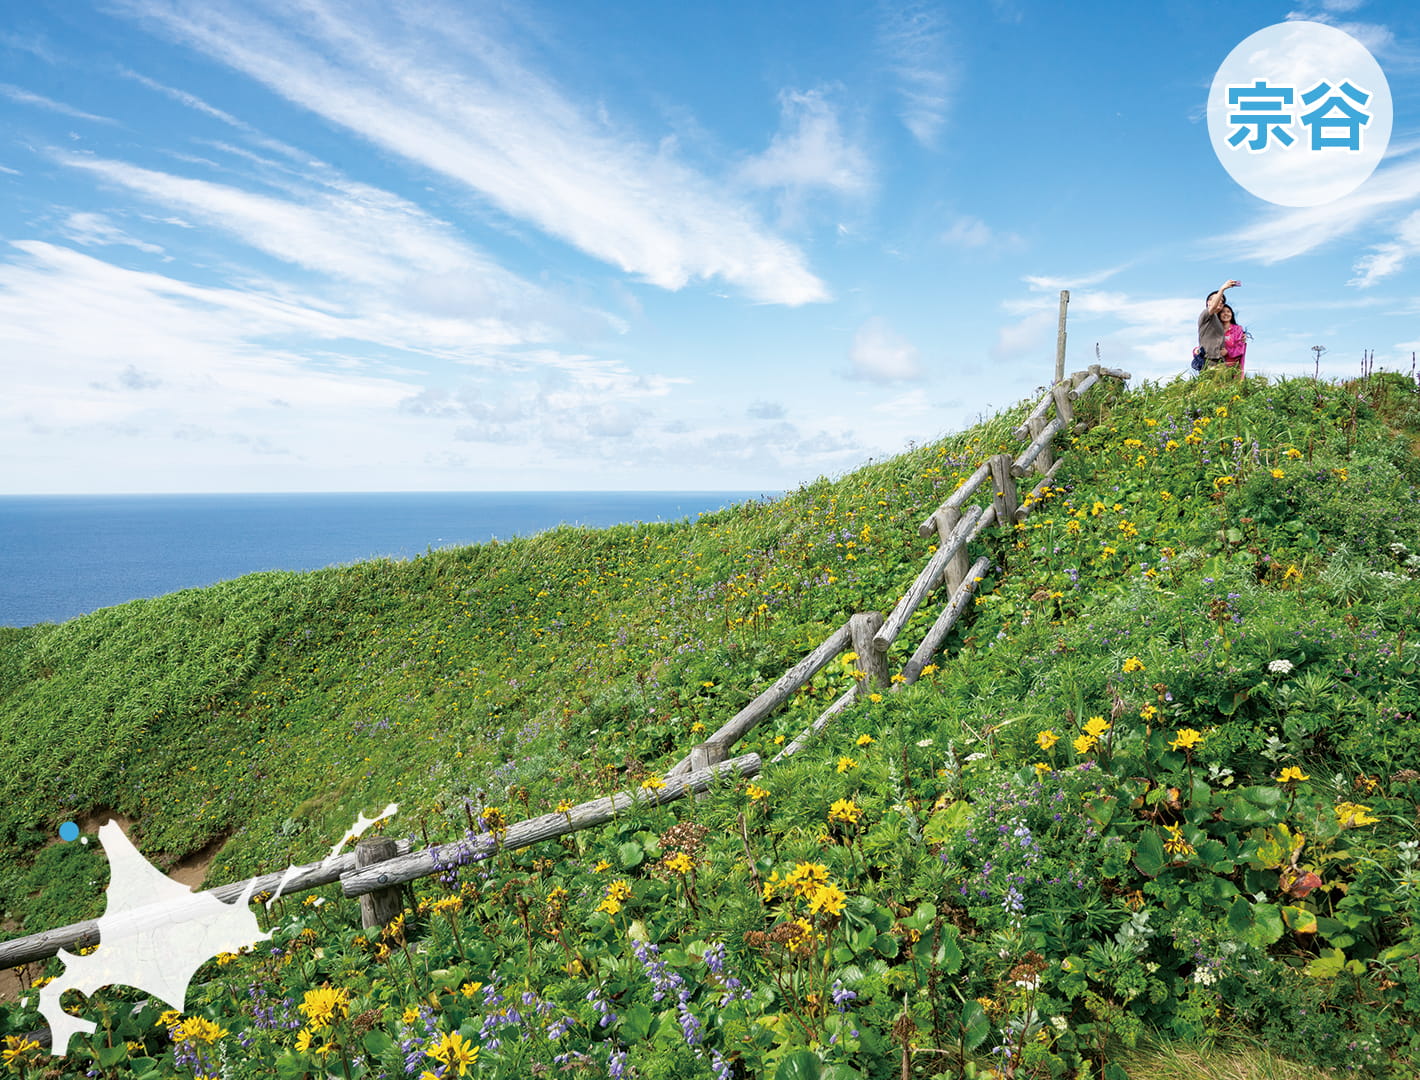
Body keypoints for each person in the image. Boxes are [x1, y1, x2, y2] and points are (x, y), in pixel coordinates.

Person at [1197, 279, 1241, 372]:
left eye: (1222, 301)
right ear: (1208, 302)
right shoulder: (1206, 315)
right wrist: (1222, 289)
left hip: (1220, 362)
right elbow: (1212, 307)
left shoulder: (1218, 320)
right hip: (1208, 361)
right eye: (1217, 299)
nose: (1220, 302)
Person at [1220, 303, 1247, 374]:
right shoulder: (1215, 330)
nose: (1226, 314)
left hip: (1233, 368)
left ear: (1232, 314)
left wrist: (1227, 352)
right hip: (1218, 366)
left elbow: (1240, 349)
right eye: (1222, 312)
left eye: (1228, 311)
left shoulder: (1237, 329)